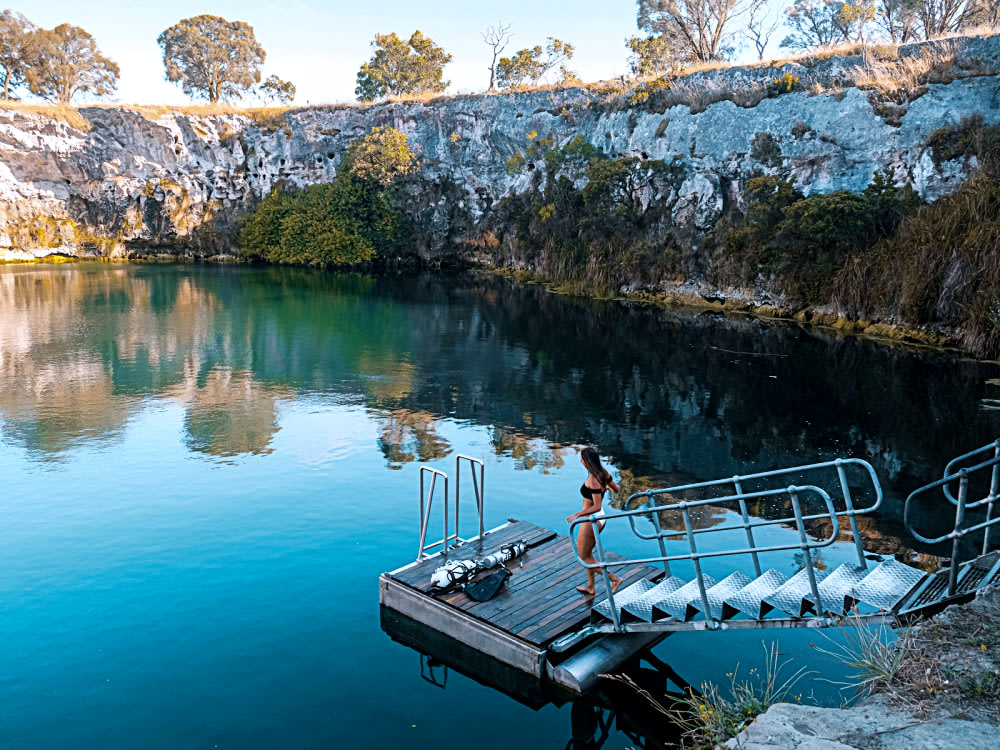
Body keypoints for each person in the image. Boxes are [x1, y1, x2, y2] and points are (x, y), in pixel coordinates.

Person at [566, 447, 623, 596]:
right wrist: (606, 489)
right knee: (587, 554)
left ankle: (614, 579)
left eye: (582, 459)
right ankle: (591, 586)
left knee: (583, 556)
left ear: (587, 462)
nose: (580, 461)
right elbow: (616, 489)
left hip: (593, 519)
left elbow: (596, 505)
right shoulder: (603, 473)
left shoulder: (593, 479)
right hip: (597, 517)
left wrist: (578, 514)